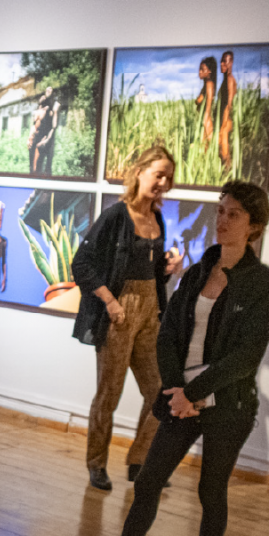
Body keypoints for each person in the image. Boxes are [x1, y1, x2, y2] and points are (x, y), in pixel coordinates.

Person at [69, 180, 269, 536]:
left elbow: (246, 357)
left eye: (234, 214)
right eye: (221, 210)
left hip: (228, 406)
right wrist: (174, 390)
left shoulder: (261, 283)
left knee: (211, 490)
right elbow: (167, 332)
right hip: (181, 398)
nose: (222, 220)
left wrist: (194, 393)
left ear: (254, 227)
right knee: (148, 481)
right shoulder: (200, 270)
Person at [72, 144, 183, 490]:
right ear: (139, 172)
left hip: (150, 312)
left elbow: (152, 272)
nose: (163, 183)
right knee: (109, 393)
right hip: (119, 314)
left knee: (160, 391)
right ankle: (96, 464)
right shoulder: (115, 217)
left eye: (168, 177)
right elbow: (81, 264)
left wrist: (169, 268)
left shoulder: (157, 219)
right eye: (158, 175)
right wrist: (109, 301)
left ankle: (139, 461)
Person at [27, 86, 59, 175]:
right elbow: (33, 125)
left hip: (43, 138)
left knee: (40, 165)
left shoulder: (51, 110)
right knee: (32, 165)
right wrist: (29, 138)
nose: (48, 91)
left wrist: (45, 140)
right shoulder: (38, 110)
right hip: (35, 138)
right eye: (47, 90)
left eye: (50, 90)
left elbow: (53, 127)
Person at [218, 50, 238, 169]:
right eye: (221, 61)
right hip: (223, 119)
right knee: (221, 149)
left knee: (225, 151)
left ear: (231, 63)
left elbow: (229, 104)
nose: (222, 64)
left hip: (226, 120)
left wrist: (224, 124)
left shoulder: (230, 80)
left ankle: (228, 172)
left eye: (225, 62)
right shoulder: (225, 80)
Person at [195, 55, 217, 153]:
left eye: (202, 69)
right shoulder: (207, 85)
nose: (200, 72)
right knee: (205, 148)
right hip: (205, 119)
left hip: (206, 119)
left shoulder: (209, 84)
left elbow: (208, 104)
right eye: (200, 69)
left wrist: (205, 119)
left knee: (206, 147)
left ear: (209, 71)